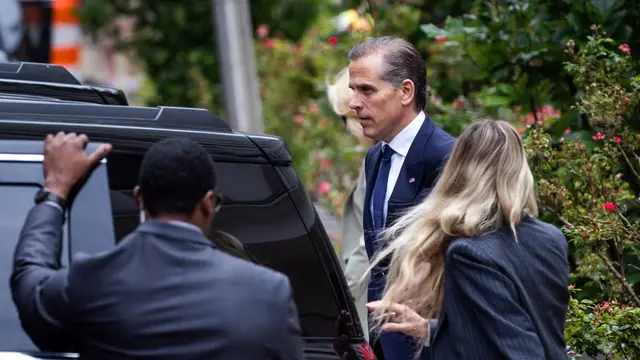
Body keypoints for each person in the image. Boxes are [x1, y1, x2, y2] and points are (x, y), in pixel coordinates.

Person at [11, 133, 304, 359]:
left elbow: (29, 283)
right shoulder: (268, 292)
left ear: (139, 199)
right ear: (208, 203)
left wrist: (55, 191)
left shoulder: (91, 279)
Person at [366, 120, 570, 360]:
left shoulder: (469, 253)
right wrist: (429, 330)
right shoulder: (551, 238)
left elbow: (515, 349)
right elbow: (506, 330)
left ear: (457, 171)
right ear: (520, 171)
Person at [347, 36, 454, 360]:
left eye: (366, 90)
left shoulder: (447, 156)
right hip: (384, 341)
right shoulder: (376, 157)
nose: (354, 102)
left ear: (406, 91)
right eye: (354, 90)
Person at [326, 67, 375, 342]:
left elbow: (367, 245)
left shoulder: (380, 162)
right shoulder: (377, 159)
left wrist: (338, 302)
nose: (345, 128)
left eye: (344, 119)